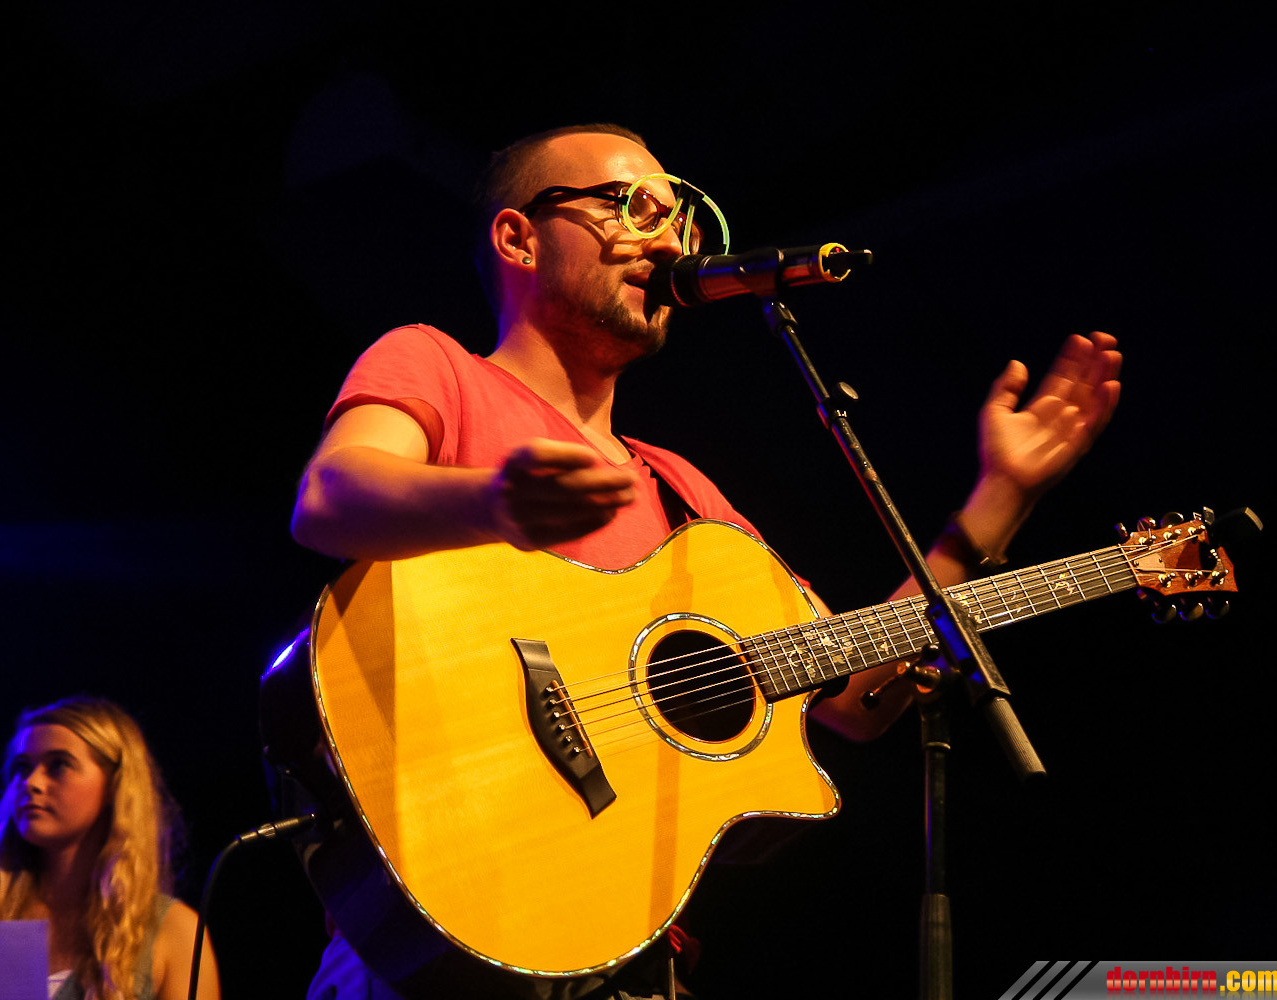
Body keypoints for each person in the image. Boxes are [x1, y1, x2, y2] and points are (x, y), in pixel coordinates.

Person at [290, 123, 1121, 999]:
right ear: (519, 238)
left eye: (676, 216)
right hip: (439, 928)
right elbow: (330, 498)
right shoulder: (439, 367)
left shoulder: (682, 492)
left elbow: (850, 697)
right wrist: (495, 500)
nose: (667, 241)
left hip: (635, 952)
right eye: (630, 206)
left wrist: (1000, 497)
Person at [0, 695, 221, 1000]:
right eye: (22, 768)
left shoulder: (174, 932)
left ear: (114, 785)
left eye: (58, 765)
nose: (31, 783)